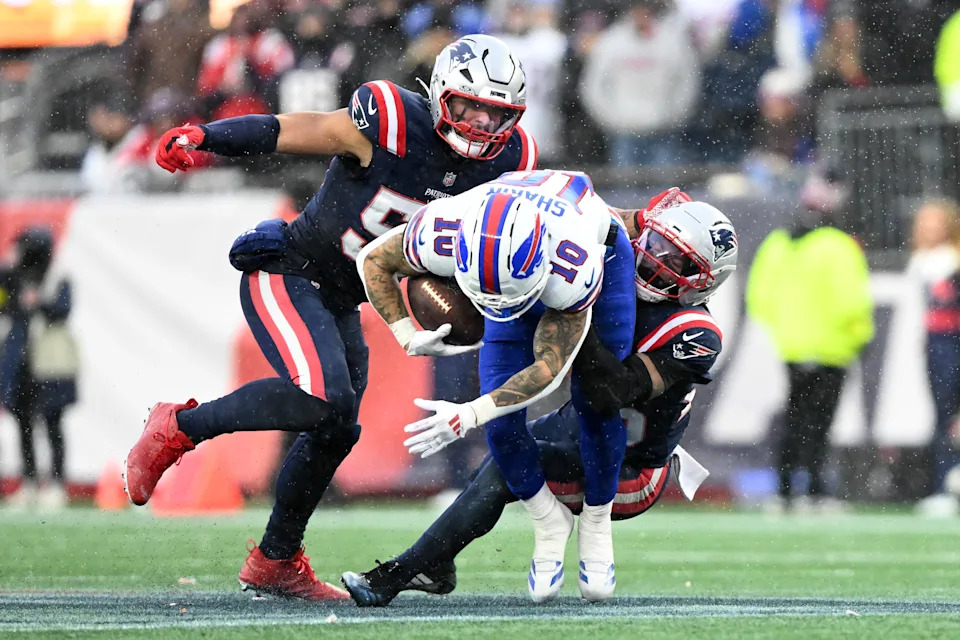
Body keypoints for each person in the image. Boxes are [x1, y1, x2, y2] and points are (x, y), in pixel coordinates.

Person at [124, 35, 537, 601]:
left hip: (344, 296)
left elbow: (556, 212)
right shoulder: (390, 120)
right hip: (290, 269)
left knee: (337, 424)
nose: (481, 123)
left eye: (498, 113)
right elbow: (293, 130)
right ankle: (177, 427)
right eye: (470, 106)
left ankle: (276, 560)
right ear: (441, 92)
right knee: (323, 399)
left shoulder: (513, 161)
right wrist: (207, 137)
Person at [341, 195, 738, 605]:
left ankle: (403, 573)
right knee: (505, 448)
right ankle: (437, 564)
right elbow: (597, 218)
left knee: (499, 472)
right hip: (575, 422)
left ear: (704, 280)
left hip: (632, 465)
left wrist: (578, 298)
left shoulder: (694, 334)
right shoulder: (608, 258)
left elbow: (609, 393)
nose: (656, 261)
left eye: (678, 261)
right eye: (657, 245)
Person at [746, 166, 874, 512]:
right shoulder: (837, 246)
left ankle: (786, 491)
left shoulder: (780, 243)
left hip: (791, 345)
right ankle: (816, 491)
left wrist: (787, 328)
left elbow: (759, 297)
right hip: (832, 347)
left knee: (794, 419)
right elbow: (853, 302)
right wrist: (858, 335)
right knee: (820, 423)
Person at [0, 227, 78, 510]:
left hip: (50, 363)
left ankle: (57, 483)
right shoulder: (13, 277)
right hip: (21, 362)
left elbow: (63, 310)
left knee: (53, 423)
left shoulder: (57, 276)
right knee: (22, 423)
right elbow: (3, 304)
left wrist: (40, 303)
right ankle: (29, 481)